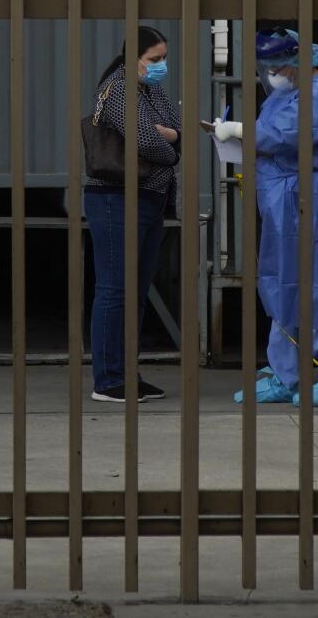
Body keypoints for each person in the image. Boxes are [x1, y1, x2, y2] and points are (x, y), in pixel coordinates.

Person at [220, 28, 318, 407]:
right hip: (280, 192)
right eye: (268, 65)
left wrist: (238, 130)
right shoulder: (285, 92)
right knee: (280, 280)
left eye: (278, 64)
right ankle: (285, 372)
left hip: (310, 191)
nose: (273, 72)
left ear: (299, 59)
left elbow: (287, 134)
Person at [84, 26, 181, 403]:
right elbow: (147, 140)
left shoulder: (149, 88)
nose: (161, 66)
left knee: (136, 291)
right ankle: (108, 379)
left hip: (149, 199)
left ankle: (127, 372)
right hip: (115, 198)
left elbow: (177, 128)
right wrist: (170, 143)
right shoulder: (121, 88)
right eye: (154, 59)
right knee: (114, 289)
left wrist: (168, 135)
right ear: (133, 58)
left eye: (163, 58)